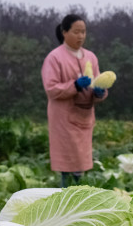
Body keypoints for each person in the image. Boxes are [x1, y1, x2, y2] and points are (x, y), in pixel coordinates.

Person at [41, 14, 108, 187]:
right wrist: (75, 85)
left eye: (83, 32)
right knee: (68, 161)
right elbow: (51, 89)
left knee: (82, 160)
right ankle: (67, 192)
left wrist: (100, 91)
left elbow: (98, 80)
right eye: (76, 32)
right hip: (64, 118)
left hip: (85, 117)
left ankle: (79, 193)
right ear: (64, 32)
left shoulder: (91, 57)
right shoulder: (54, 58)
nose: (81, 36)